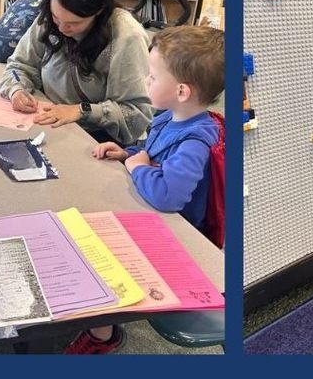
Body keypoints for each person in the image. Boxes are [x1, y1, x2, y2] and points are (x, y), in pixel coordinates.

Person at [77, 25, 224, 354]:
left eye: (153, 77)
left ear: (182, 91)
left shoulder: (196, 140)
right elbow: (154, 156)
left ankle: (102, 334)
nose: (145, 82)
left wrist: (137, 166)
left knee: (98, 254)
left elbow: (168, 196)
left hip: (178, 239)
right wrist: (127, 154)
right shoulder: (170, 118)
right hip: (155, 220)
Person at [0, 0, 152, 145]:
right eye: (56, 17)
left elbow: (136, 114)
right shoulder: (50, 19)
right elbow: (19, 65)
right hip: (51, 125)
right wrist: (16, 91)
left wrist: (81, 111)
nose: (61, 28)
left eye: (74, 23)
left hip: (99, 140)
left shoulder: (127, 36)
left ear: (99, 10)